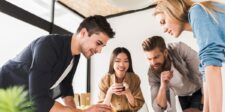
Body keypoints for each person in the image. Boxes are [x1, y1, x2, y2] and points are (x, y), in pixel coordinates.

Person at [0, 15, 115, 112]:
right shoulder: (49, 45)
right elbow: (39, 99)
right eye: (98, 43)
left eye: (102, 46)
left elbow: (66, 88)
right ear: (83, 33)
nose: (100, 51)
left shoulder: (75, 56)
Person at [153, 0, 225, 111]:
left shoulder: (197, 12)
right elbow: (206, 73)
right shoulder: (199, 21)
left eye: (163, 22)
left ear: (172, 10)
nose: (164, 29)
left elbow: (212, 66)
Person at [142, 36, 203, 112]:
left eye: (156, 57)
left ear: (165, 52)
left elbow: (203, 72)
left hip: (199, 89)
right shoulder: (152, 74)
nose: (153, 62)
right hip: (181, 96)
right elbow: (158, 108)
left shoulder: (179, 48)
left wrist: (203, 100)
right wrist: (163, 86)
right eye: (149, 59)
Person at [98, 47, 145, 112]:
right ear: (112, 62)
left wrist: (128, 93)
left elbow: (138, 105)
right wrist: (109, 92)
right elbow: (101, 109)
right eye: (117, 61)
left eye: (126, 61)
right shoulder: (105, 80)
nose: (122, 64)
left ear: (129, 63)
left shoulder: (134, 79)